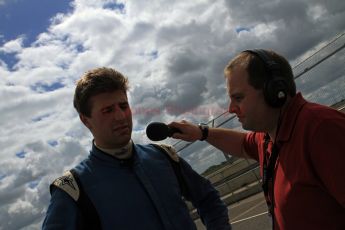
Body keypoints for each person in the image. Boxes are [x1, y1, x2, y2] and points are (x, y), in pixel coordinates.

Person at [169, 49, 345, 230]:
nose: (231, 109)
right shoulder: (269, 138)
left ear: (275, 90)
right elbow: (243, 145)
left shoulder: (321, 130)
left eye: (238, 98)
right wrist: (201, 133)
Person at [42, 67, 231, 230]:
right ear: (86, 120)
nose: (121, 116)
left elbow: (208, 199)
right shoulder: (73, 189)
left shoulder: (163, 157)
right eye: (108, 110)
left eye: (123, 106)